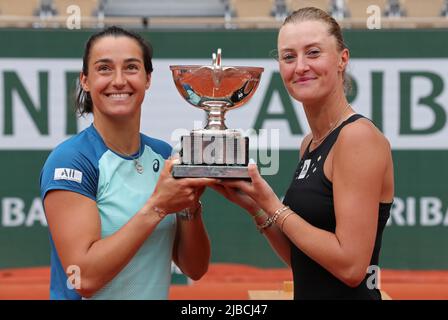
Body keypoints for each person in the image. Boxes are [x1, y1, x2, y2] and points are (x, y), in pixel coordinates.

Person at [212, 7, 394, 300]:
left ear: (342, 59)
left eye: (313, 53)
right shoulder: (310, 142)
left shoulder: (357, 137)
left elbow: (350, 267)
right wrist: (256, 206)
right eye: (288, 57)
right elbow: (306, 262)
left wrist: (272, 204)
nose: (300, 67)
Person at [40, 26, 216, 300]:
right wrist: (158, 206)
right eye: (105, 69)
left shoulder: (164, 154)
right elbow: (83, 277)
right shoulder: (71, 160)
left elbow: (195, 268)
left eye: (131, 67)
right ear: (85, 80)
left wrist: (189, 207)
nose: (119, 80)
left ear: (147, 78)